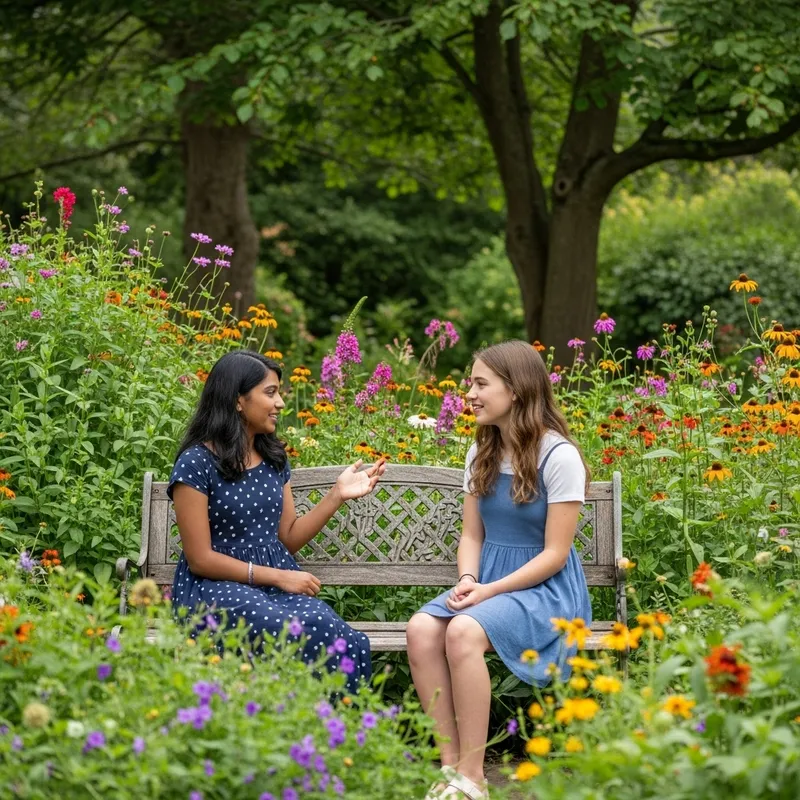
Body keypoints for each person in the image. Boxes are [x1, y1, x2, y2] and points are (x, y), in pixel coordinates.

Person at [406, 340, 592, 799]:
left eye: (480, 383)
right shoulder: (481, 453)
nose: (469, 393)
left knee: (463, 633)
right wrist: (470, 580)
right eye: (471, 382)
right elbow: (472, 536)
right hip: (488, 582)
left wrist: (489, 591)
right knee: (421, 628)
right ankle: (450, 768)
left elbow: (554, 554)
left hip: (546, 590)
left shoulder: (559, 456)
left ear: (517, 390)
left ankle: (474, 777)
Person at [168, 350, 385, 693]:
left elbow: (287, 536)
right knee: (283, 626)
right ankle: (267, 729)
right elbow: (200, 559)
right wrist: (280, 576)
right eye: (271, 392)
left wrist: (337, 495)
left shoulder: (272, 458)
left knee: (338, 633)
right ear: (238, 400)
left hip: (272, 587)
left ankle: (335, 734)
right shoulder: (197, 463)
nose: (281, 402)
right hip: (214, 587)